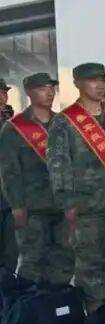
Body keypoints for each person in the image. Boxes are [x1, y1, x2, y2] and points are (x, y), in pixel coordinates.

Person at [46, 63, 105, 310]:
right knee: (90, 263)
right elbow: (58, 165)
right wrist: (67, 202)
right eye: (92, 80)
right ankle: (96, 314)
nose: (99, 85)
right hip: (86, 207)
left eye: (102, 80)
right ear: (77, 83)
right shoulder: (65, 122)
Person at [0, 73, 74, 285]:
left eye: (51, 88)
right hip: (33, 207)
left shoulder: (63, 124)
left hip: (62, 205)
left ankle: (57, 298)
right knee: (32, 260)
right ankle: (29, 300)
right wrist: (17, 206)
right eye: (43, 88)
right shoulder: (14, 128)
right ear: (30, 93)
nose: (49, 93)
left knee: (64, 257)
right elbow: (10, 172)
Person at [0, 77, 16, 273]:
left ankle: (7, 282)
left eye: (4, 92)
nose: (3, 96)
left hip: (11, 197)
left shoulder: (12, 122)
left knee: (11, 249)